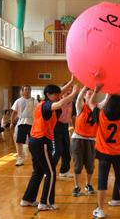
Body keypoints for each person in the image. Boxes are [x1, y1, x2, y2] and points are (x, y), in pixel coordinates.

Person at [20, 81, 79, 211]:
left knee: (38, 172)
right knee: (51, 173)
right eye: (56, 94)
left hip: (35, 141)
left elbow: (60, 95)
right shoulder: (47, 106)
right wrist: (74, 92)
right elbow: (60, 102)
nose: (59, 95)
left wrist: (71, 81)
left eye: (59, 94)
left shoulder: (45, 102)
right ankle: (45, 202)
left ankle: (27, 199)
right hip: (41, 142)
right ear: (48, 95)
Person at [88, 85, 120, 219]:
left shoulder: (101, 115)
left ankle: (101, 210)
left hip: (104, 154)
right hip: (118, 153)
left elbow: (90, 103)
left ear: (108, 103)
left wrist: (96, 90)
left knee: (102, 182)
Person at [71, 86, 99, 197]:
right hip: (78, 139)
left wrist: (109, 92)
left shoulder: (97, 108)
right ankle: (77, 186)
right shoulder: (80, 107)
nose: (90, 95)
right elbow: (78, 98)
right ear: (85, 97)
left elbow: (106, 101)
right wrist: (84, 87)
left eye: (92, 94)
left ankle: (88, 184)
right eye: (88, 94)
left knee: (90, 165)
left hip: (91, 140)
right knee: (77, 165)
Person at [10, 85, 38, 166]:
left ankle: (35, 158)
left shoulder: (34, 101)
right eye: (25, 89)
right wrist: (12, 122)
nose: (27, 91)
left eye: (29, 89)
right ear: (22, 91)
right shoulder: (18, 101)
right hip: (21, 123)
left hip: (32, 123)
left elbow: (38, 112)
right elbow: (14, 112)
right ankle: (20, 158)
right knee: (19, 141)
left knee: (33, 142)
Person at [53, 84, 76, 178]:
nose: (69, 92)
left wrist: (76, 129)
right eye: (67, 90)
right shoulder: (58, 101)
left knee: (67, 150)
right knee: (57, 151)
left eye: (70, 90)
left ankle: (64, 171)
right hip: (55, 127)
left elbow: (73, 116)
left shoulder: (72, 103)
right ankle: (49, 171)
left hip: (65, 127)